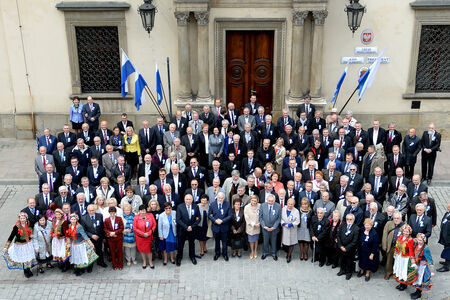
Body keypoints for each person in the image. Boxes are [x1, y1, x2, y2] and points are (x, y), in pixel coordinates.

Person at [2, 212, 37, 278]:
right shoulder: (16, 226)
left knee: (28, 257)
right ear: (19, 218)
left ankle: (28, 269)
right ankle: (25, 271)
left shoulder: (29, 224)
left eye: (24, 218)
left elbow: (31, 233)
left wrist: (33, 237)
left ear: (26, 219)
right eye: (21, 218)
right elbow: (11, 236)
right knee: (23, 258)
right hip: (20, 245)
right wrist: (6, 246)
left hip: (28, 244)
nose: (22, 220)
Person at [80, 204, 107, 271]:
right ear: (88, 211)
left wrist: (102, 236)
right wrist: (91, 235)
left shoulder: (100, 216)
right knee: (90, 252)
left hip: (99, 237)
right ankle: (90, 266)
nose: (92, 212)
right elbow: (83, 230)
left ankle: (100, 262)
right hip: (90, 238)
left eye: (93, 210)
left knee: (99, 250)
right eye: (90, 210)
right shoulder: (84, 218)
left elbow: (102, 227)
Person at [176, 194, 200, 266]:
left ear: (192, 200)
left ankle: (192, 256)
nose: (188, 201)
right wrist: (186, 227)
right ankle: (179, 257)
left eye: (189, 199)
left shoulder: (196, 206)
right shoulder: (180, 207)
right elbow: (178, 219)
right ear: (184, 200)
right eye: (187, 199)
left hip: (192, 229)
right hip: (182, 229)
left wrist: (191, 226)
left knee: (192, 243)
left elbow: (198, 218)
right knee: (181, 244)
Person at [209, 192, 232, 261]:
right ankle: (217, 253)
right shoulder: (213, 204)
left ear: (224, 198)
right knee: (217, 241)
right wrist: (215, 220)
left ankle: (225, 254)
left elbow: (230, 215)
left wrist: (222, 221)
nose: (220, 199)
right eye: (219, 198)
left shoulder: (227, 204)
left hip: (224, 226)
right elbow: (209, 215)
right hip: (216, 226)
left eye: (222, 198)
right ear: (217, 197)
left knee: (224, 242)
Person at [410, 233, 434, 299]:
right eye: (418, 240)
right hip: (417, 265)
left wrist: (432, 270)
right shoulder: (416, 245)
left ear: (424, 241)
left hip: (422, 266)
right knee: (416, 278)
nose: (419, 241)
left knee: (420, 279)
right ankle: (417, 291)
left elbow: (430, 259)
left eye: (420, 240)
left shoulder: (426, 249)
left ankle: (419, 292)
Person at [393, 224, 417, 291]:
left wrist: (412, 260)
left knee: (404, 271)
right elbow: (397, 245)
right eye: (404, 231)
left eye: (407, 232)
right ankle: (401, 283)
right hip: (399, 256)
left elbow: (411, 251)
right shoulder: (400, 237)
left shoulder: (410, 240)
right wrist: (395, 252)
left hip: (405, 258)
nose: (405, 233)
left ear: (409, 232)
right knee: (399, 269)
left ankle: (404, 285)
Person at [382, 211, 404, 280]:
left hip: (399, 248)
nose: (396, 220)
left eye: (398, 218)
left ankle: (397, 274)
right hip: (391, 246)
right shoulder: (388, 223)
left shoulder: (404, 226)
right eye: (395, 218)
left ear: (401, 218)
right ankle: (388, 273)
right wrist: (384, 245)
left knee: (398, 261)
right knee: (389, 260)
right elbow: (385, 234)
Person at [337, 213, 360, 280]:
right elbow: (338, 235)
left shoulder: (356, 228)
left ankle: (348, 273)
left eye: (350, 219)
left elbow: (355, 241)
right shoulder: (342, 225)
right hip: (341, 247)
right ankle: (342, 270)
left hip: (350, 249)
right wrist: (340, 246)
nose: (349, 220)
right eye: (347, 219)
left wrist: (346, 248)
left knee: (349, 261)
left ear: (353, 219)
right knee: (342, 260)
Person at [133, 204, 156, 269]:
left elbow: (154, 225)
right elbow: (134, 228)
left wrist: (149, 233)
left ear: (146, 210)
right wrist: (142, 233)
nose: (143, 212)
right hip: (140, 237)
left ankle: (150, 262)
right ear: (139, 211)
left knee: (149, 250)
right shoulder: (136, 217)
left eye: (144, 210)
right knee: (142, 250)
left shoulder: (150, 215)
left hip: (149, 236)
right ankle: (144, 261)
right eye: (141, 211)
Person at [260, 194, 281, 260]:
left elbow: (279, 218)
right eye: (269, 201)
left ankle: (273, 253)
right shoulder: (263, 205)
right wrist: (264, 226)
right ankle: (265, 253)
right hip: (265, 227)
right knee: (265, 241)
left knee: (273, 241)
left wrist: (274, 227)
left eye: (272, 201)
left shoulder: (278, 206)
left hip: (274, 228)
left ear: (274, 200)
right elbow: (260, 217)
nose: (270, 202)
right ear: (267, 200)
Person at [280, 198, 299, 263]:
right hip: (285, 228)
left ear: (294, 204)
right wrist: (284, 223)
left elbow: (297, 221)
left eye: (292, 204)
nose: (290, 205)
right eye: (289, 204)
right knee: (285, 242)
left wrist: (291, 224)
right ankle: (287, 252)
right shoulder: (283, 209)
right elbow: (281, 218)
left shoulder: (296, 211)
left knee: (291, 242)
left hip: (292, 229)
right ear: (287, 203)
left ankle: (289, 255)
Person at [244, 195, 261, 260]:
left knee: (256, 239)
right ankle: (252, 251)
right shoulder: (247, 207)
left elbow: (261, 215)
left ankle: (255, 250)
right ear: (250, 200)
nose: (254, 202)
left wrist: (259, 223)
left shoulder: (260, 206)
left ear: (257, 201)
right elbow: (246, 217)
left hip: (258, 225)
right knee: (251, 240)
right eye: (252, 200)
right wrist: (253, 224)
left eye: (255, 201)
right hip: (250, 226)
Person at [437, 202, 450, 273]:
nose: (448, 208)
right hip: (445, 236)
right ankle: (447, 261)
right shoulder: (447, 213)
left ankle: (447, 266)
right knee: (446, 249)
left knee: (448, 251)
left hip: (449, 238)